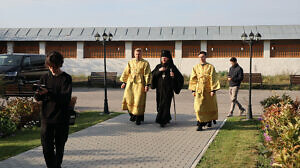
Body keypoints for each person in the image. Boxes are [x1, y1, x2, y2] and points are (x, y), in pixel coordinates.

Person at [34, 51, 72, 168]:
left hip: (61, 119)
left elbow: (65, 98)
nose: (52, 69)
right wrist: (38, 93)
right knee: (46, 148)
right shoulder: (44, 77)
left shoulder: (66, 78)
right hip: (47, 118)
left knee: (60, 147)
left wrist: (49, 93)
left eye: (54, 67)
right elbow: (38, 98)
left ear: (60, 64)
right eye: (49, 67)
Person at [189, 51, 220, 131]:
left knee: (209, 106)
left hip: (208, 90)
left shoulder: (210, 67)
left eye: (203, 56)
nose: (201, 58)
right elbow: (193, 78)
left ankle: (209, 120)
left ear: (205, 57)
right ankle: (200, 123)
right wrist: (193, 90)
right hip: (199, 89)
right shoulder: (195, 67)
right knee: (198, 107)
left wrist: (213, 90)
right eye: (200, 57)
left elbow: (214, 78)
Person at [151, 50, 184, 127]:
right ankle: (167, 117)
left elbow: (180, 78)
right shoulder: (158, 67)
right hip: (159, 90)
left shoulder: (172, 67)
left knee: (165, 105)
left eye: (165, 57)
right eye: (162, 57)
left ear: (168, 58)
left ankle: (162, 121)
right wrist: (159, 71)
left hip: (168, 91)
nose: (164, 59)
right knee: (159, 105)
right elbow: (151, 75)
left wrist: (173, 76)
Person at [120, 48, 152, 125]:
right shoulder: (130, 62)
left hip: (140, 85)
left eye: (139, 54)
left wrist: (147, 85)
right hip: (130, 84)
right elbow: (126, 72)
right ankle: (132, 115)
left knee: (138, 101)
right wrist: (124, 82)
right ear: (134, 54)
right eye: (136, 54)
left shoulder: (145, 63)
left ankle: (138, 119)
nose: (138, 55)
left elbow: (147, 74)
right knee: (128, 99)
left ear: (142, 54)